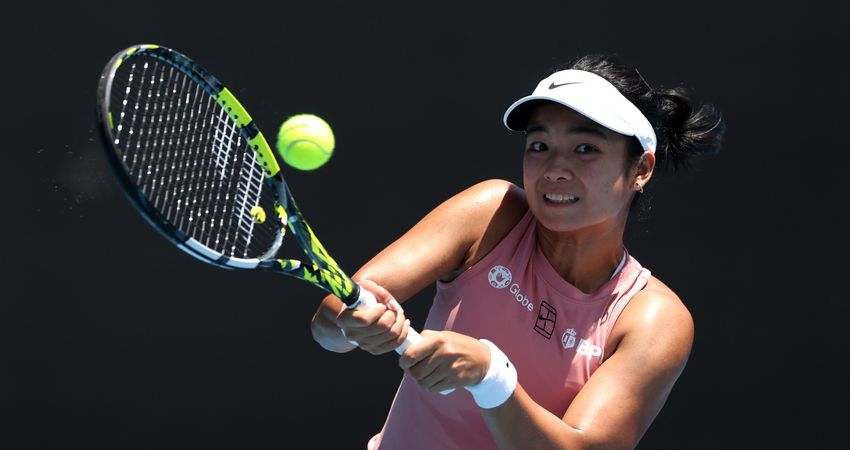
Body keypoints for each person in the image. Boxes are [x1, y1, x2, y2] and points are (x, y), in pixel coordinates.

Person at [311, 54, 726, 450]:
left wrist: (492, 376)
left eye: (585, 149)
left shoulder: (653, 319)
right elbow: (331, 317)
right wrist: (352, 324)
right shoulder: (490, 214)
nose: (554, 169)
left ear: (641, 169)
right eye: (539, 146)